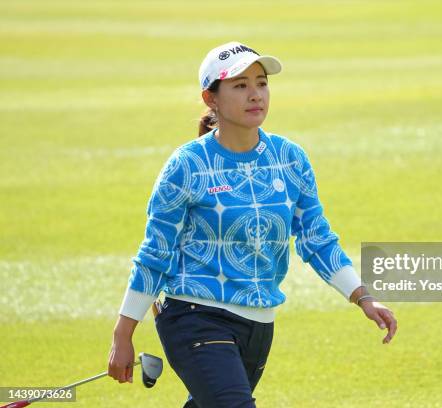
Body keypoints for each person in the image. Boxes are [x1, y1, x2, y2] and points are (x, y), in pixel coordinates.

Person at [108, 41, 398, 407]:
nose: (255, 95)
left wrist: (363, 296)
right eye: (240, 85)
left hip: (259, 325)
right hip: (195, 317)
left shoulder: (290, 159)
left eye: (261, 83)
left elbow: (317, 239)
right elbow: (155, 253)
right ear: (210, 98)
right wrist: (124, 333)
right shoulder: (186, 165)